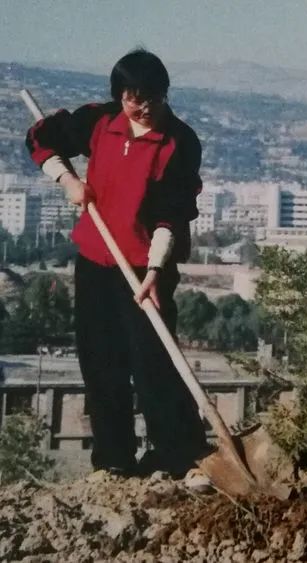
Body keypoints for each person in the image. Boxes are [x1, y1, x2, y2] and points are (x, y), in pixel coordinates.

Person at [26, 49, 209, 485]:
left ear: (165, 95)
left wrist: (154, 270)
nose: (142, 106)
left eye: (152, 97)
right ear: (119, 95)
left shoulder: (179, 142)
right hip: (95, 260)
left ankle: (177, 455)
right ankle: (114, 459)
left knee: (153, 361)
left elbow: (173, 211)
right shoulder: (99, 121)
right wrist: (68, 179)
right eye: (132, 97)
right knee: (101, 360)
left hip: (147, 265)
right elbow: (40, 137)